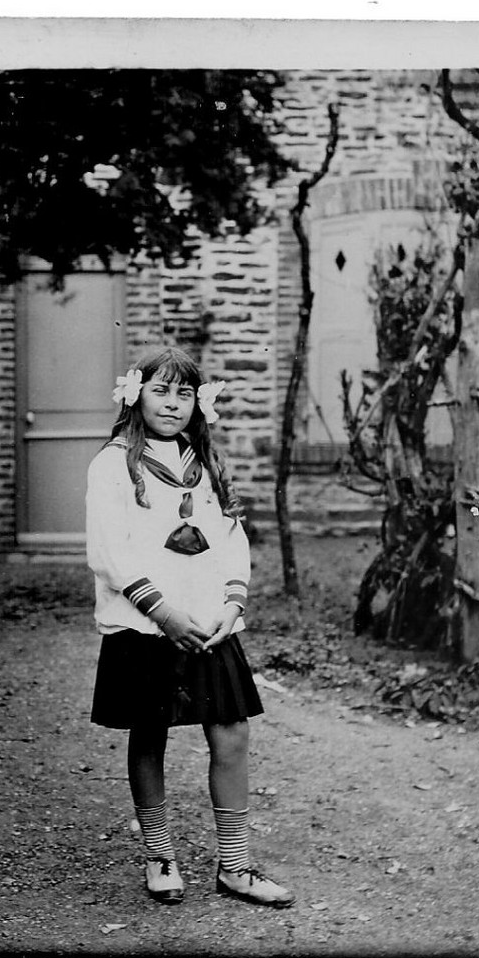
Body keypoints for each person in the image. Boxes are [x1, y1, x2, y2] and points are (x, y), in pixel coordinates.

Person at [85, 346, 295, 909]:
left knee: (232, 731)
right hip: (147, 624)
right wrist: (162, 612)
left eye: (184, 393)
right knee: (149, 732)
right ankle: (159, 855)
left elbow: (231, 537)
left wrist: (232, 603)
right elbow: (109, 550)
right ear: (136, 395)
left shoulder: (206, 464)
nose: (172, 404)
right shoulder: (113, 464)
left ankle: (236, 865)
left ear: (198, 403)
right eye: (160, 390)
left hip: (206, 621)